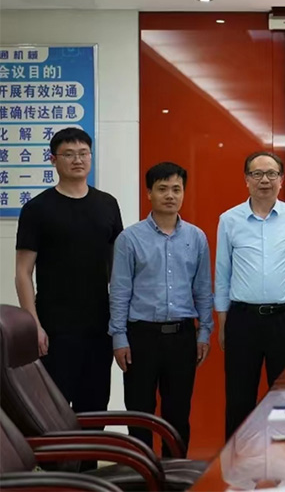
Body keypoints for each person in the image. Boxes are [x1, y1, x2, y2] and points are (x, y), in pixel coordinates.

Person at [14, 128, 123, 415]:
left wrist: (120, 323)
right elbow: (23, 272)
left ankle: (90, 449)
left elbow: (118, 270)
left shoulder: (107, 204)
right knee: (54, 410)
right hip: (55, 328)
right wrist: (33, 325)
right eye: (69, 154)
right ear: (53, 159)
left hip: (100, 326)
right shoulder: (37, 209)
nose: (78, 160)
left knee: (95, 408)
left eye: (83, 153)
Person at [109, 162, 213, 457]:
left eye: (176, 189)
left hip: (182, 336)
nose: (170, 195)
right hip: (140, 337)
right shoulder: (129, 238)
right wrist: (119, 337)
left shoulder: (196, 238)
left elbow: (203, 288)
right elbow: (119, 291)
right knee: (139, 412)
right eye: (162, 189)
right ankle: (141, 473)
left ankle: (173, 473)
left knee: (178, 413)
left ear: (183, 193)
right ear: (149, 193)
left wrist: (204, 332)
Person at [216, 151, 285, 439]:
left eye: (271, 174)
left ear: (282, 179)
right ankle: (236, 462)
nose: (264, 180)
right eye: (257, 174)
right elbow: (222, 272)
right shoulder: (229, 220)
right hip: (242, 319)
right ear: (246, 179)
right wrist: (223, 321)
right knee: (239, 397)